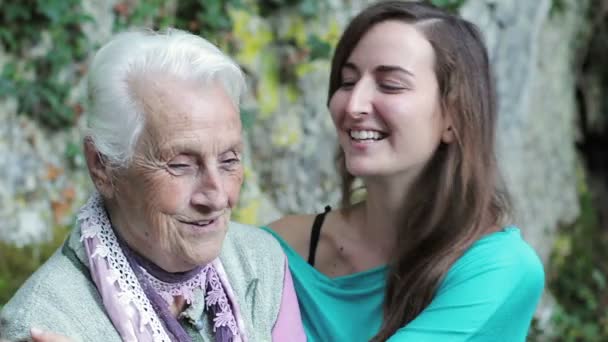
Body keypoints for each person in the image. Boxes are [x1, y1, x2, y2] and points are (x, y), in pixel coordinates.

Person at [263, 1, 545, 341]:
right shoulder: (278, 249)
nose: (354, 106)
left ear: (453, 117)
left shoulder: (499, 268)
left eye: (391, 85)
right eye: (347, 82)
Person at [0, 28, 305, 342]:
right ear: (102, 166)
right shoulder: (44, 323)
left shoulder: (260, 260)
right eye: (181, 164)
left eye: (229, 160)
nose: (216, 196)